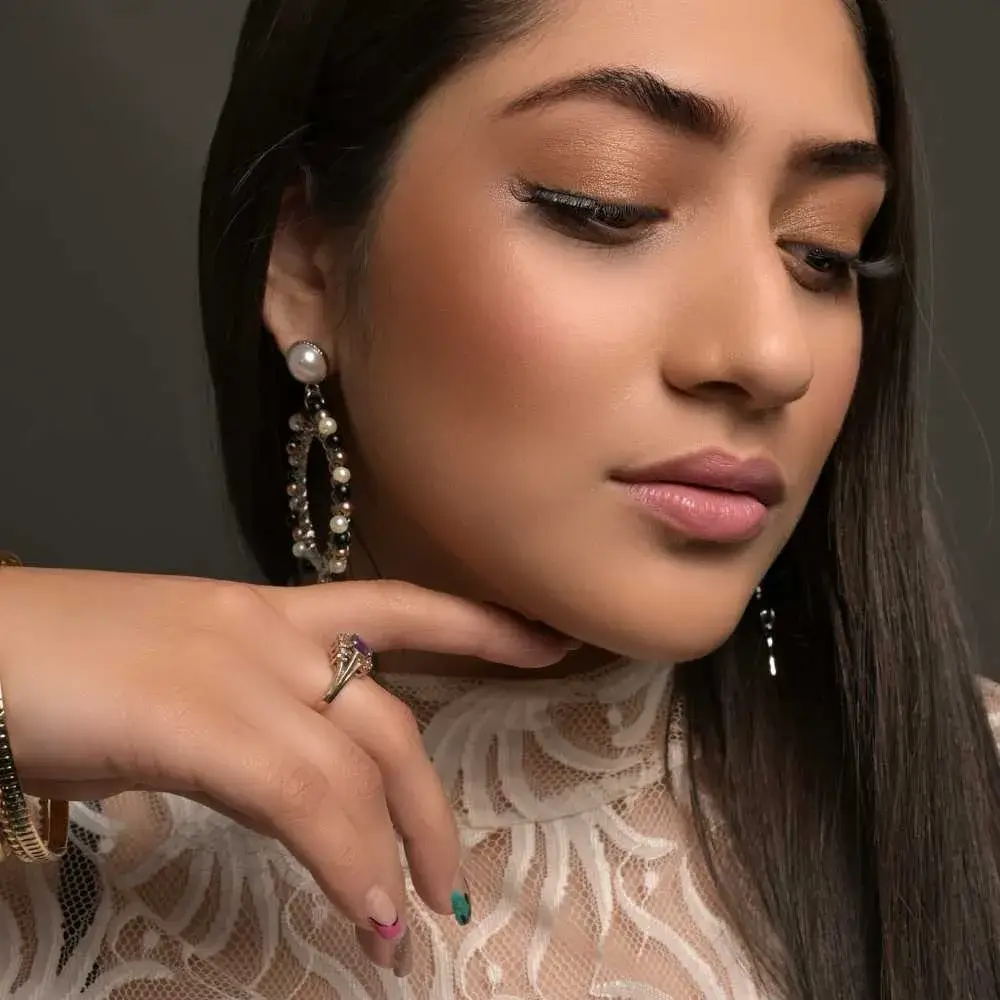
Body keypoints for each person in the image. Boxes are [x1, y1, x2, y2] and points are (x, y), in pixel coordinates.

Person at [1, 0, 999, 996]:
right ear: (305, 259)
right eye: (609, 201)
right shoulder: (44, 866)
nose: (771, 352)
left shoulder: (970, 806)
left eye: (823, 252)